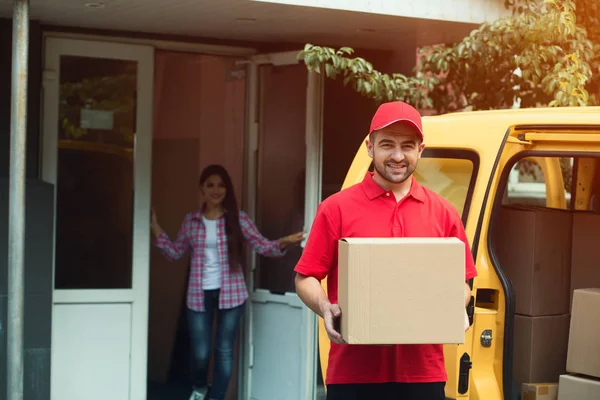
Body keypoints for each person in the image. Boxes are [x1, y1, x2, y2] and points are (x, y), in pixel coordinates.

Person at [294, 101, 477, 400]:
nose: (397, 155)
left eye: (407, 146)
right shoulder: (336, 208)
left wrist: (456, 304)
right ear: (370, 147)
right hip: (353, 374)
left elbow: (463, 282)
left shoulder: (444, 213)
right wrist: (325, 307)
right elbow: (305, 277)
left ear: (420, 149)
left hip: (423, 373)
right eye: (387, 144)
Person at [151, 164, 304, 400]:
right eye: (210, 185)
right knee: (201, 352)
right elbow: (174, 252)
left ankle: (216, 397)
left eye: (220, 185)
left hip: (231, 295)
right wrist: (155, 228)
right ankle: (200, 388)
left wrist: (284, 241)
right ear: (202, 188)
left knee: (223, 351)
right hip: (198, 295)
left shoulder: (238, 219)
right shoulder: (191, 220)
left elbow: (263, 246)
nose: (215, 190)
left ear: (227, 189)